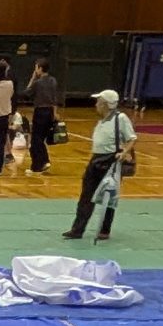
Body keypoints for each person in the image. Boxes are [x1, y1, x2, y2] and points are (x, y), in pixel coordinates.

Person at [63, 89, 138, 240]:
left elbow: (131, 138)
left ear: (105, 105)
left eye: (99, 102)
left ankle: (105, 230)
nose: (96, 105)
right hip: (96, 159)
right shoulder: (102, 121)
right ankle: (78, 229)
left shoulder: (120, 118)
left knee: (108, 196)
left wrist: (124, 153)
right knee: (86, 195)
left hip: (111, 161)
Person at [23, 57, 63, 174]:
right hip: (50, 112)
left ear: (40, 68)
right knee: (39, 139)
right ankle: (36, 166)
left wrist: (32, 79)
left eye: (36, 68)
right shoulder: (53, 80)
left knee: (36, 139)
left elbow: (26, 93)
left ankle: (44, 161)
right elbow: (55, 98)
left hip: (40, 112)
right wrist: (55, 112)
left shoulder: (38, 83)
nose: (35, 70)